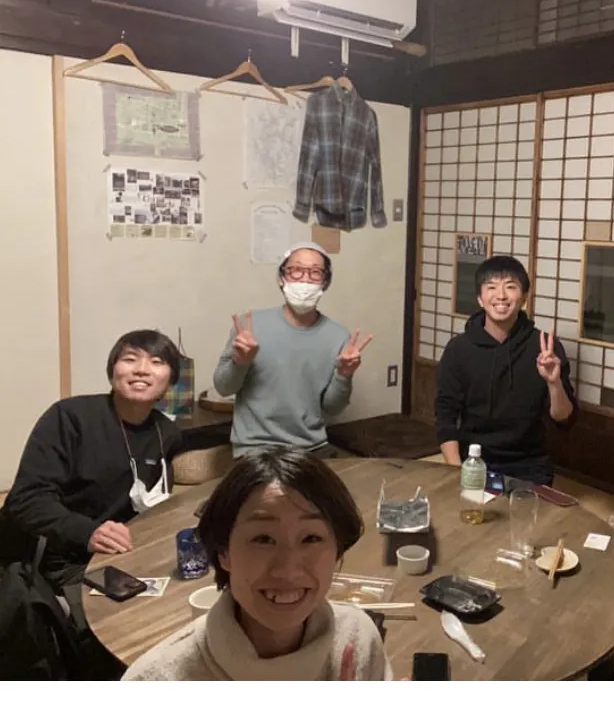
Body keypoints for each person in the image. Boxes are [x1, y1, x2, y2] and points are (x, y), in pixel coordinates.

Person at [122, 448, 392, 680]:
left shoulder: (356, 640)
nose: (288, 569)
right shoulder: (156, 680)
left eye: (311, 538)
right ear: (224, 552)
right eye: (263, 539)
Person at [0, 330, 183, 620]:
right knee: (131, 618)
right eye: (130, 359)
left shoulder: (167, 433)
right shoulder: (70, 417)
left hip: (121, 553)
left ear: (171, 380)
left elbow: (153, 503)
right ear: (113, 371)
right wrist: (88, 532)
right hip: (59, 557)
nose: (141, 369)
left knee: (181, 594)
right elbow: (27, 499)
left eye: (156, 362)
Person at [213, 242, 373, 458]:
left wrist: (344, 375)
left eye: (315, 272)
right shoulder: (249, 326)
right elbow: (223, 387)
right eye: (296, 270)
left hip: (312, 448)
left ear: (325, 282)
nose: (305, 279)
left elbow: (333, 408)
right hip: (256, 448)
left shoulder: (338, 336)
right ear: (282, 278)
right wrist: (240, 362)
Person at [434, 255, 578, 485]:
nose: (501, 295)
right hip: (474, 460)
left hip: (530, 464)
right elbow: (445, 417)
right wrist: (456, 471)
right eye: (491, 287)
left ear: (524, 298)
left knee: (529, 509)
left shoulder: (545, 348)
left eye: (510, 287)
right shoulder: (458, 349)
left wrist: (554, 382)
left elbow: (564, 420)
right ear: (480, 299)